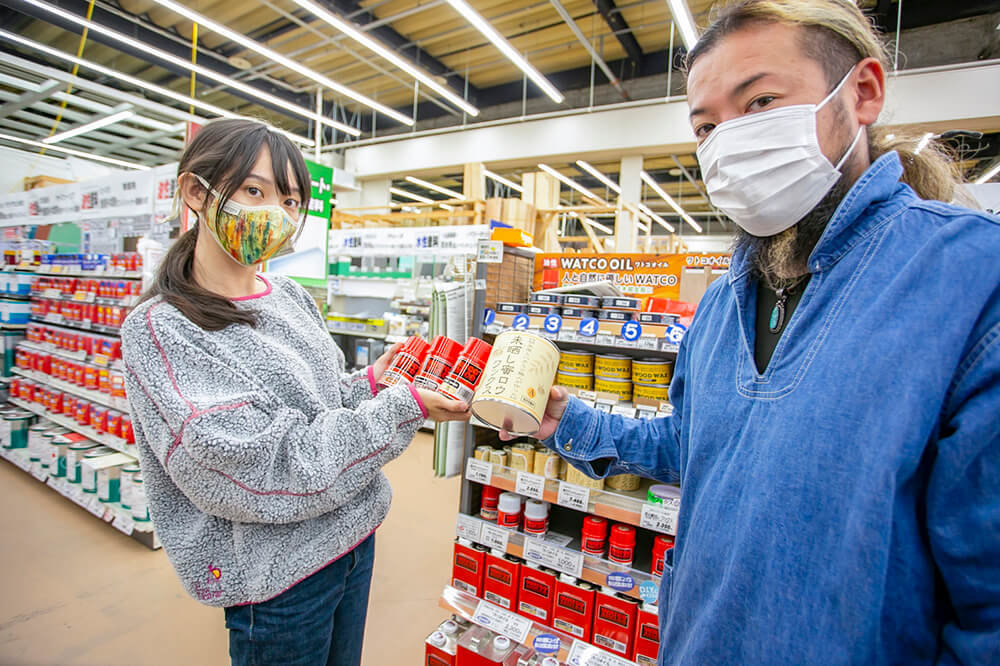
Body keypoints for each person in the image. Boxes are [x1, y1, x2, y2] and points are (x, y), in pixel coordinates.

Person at [513, 1, 1000, 663]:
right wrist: (568, 421)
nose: (729, 144)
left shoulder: (972, 281)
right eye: (706, 126)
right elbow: (700, 446)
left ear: (862, 93)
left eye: (762, 102)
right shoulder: (722, 302)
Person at [121, 118, 469, 666]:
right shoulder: (163, 329)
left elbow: (323, 404)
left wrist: (375, 382)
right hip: (278, 577)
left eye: (288, 200)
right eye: (254, 191)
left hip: (353, 540)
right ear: (195, 191)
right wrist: (405, 407)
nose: (275, 215)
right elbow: (261, 469)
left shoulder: (288, 296)